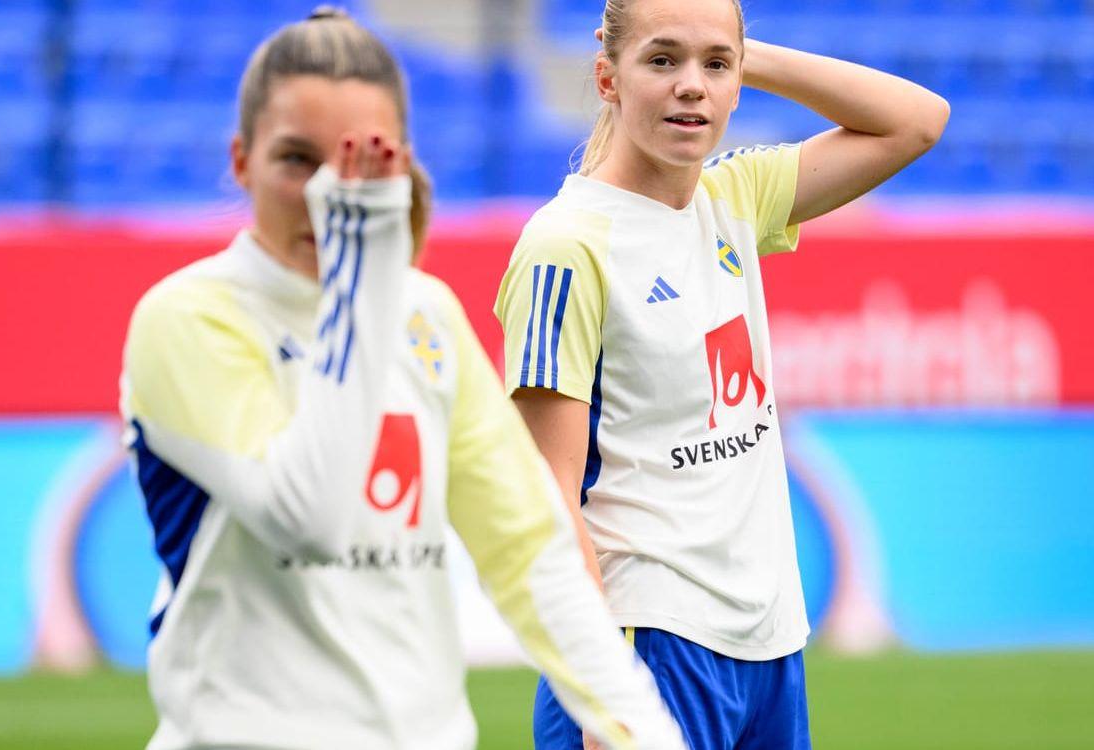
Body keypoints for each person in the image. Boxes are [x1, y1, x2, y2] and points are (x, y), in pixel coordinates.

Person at [119, 8, 687, 750]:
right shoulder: (188, 317)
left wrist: (642, 731)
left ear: (397, 164)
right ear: (240, 160)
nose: (326, 192)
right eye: (296, 159)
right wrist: (364, 256)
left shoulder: (427, 317)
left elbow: (531, 551)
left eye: (355, 158)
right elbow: (308, 512)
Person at [493, 0, 950, 748]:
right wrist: (602, 682)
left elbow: (918, 121)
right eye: (661, 61)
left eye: (713, 67)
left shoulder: (733, 197)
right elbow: (547, 495)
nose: (692, 87)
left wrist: (742, 52)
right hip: (648, 641)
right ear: (607, 78)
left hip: (768, 642)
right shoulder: (565, 246)